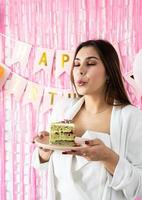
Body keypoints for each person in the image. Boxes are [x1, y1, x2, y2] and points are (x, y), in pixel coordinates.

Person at [32, 39, 142, 200]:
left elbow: (139, 187)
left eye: (90, 63)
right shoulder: (63, 109)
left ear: (109, 73)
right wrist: (44, 151)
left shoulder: (131, 117)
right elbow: (45, 169)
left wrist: (108, 157)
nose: (80, 70)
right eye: (76, 64)